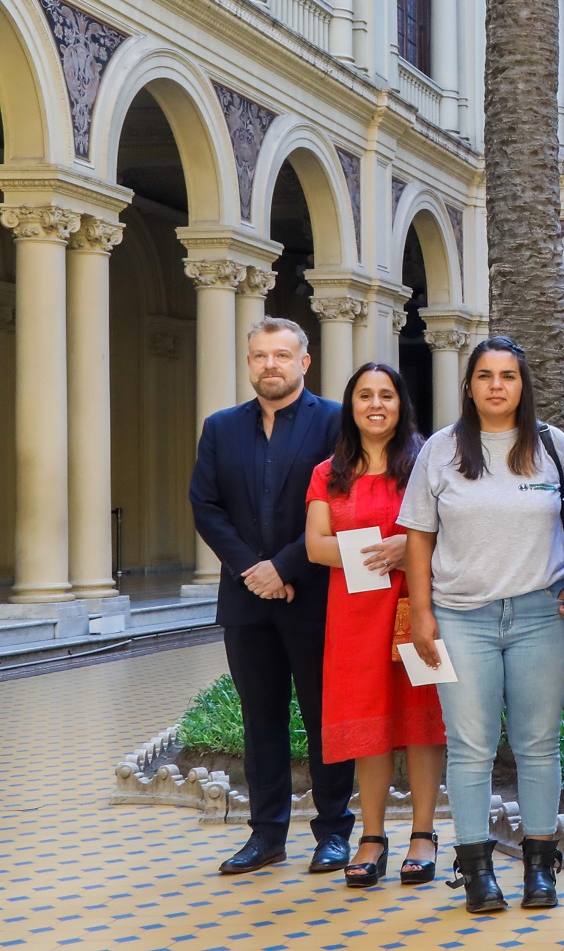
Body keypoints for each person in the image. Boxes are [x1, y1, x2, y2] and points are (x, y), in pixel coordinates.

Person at [401, 338, 564, 915]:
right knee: (470, 747)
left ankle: (539, 868)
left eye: (508, 375)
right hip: (460, 616)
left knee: (538, 745)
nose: (497, 385)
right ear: (470, 385)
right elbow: (419, 539)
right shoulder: (440, 449)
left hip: (541, 616)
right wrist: (423, 614)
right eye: (485, 375)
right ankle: (476, 869)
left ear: (523, 385)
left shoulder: (553, 446)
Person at [190, 317, 355, 875]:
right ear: (249, 363)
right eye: (260, 356)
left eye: (281, 355)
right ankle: (267, 836)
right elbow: (206, 507)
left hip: (315, 596)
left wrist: (284, 566)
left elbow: (343, 505)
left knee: (323, 716)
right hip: (246, 601)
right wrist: (251, 571)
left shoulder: (337, 422)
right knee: (260, 720)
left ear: (304, 362)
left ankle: (333, 832)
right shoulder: (220, 428)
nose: (270, 365)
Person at [302, 363, 445, 887]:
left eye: (386, 394)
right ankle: (373, 834)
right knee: (369, 725)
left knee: (423, 718)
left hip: (417, 609)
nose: (376, 404)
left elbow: (450, 527)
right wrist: (381, 552)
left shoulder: (426, 462)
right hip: (356, 618)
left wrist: (410, 550)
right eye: (365, 395)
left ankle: (424, 834)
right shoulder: (328, 472)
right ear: (352, 405)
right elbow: (316, 546)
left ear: (401, 403)